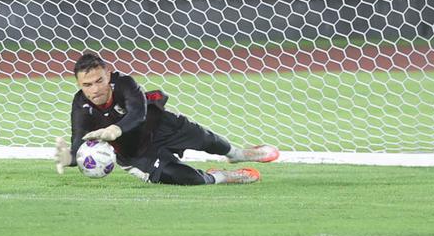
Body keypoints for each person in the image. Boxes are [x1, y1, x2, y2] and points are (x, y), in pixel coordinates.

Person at [54, 52, 278, 185]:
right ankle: (222, 177)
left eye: (99, 81)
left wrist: (115, 130)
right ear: (78, 84)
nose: (94, 89)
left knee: (207, 140)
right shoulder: (81, 106)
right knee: (188, 179)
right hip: (137, 154)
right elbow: (78, 143)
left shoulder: (124, 83)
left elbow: (138, 113)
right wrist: (69, 159)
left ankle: (237, 154)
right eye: (87, 84)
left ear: (108, 75)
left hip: (159, 124)